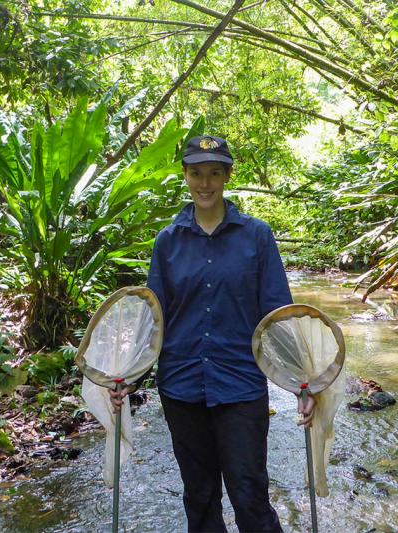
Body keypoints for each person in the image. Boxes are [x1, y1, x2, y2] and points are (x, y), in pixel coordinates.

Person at [110, 135, 315, 533]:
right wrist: (128, 377)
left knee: (250, 493)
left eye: (214, 174)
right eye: (196, 173)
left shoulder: (256, 236)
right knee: (200, 497)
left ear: (227, 177)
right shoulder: (168, 241)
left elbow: (277, 315)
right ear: (185, 176)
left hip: (240, 385)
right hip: (181, 387)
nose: (205, 183)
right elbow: (155, 317)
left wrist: (302, 384)